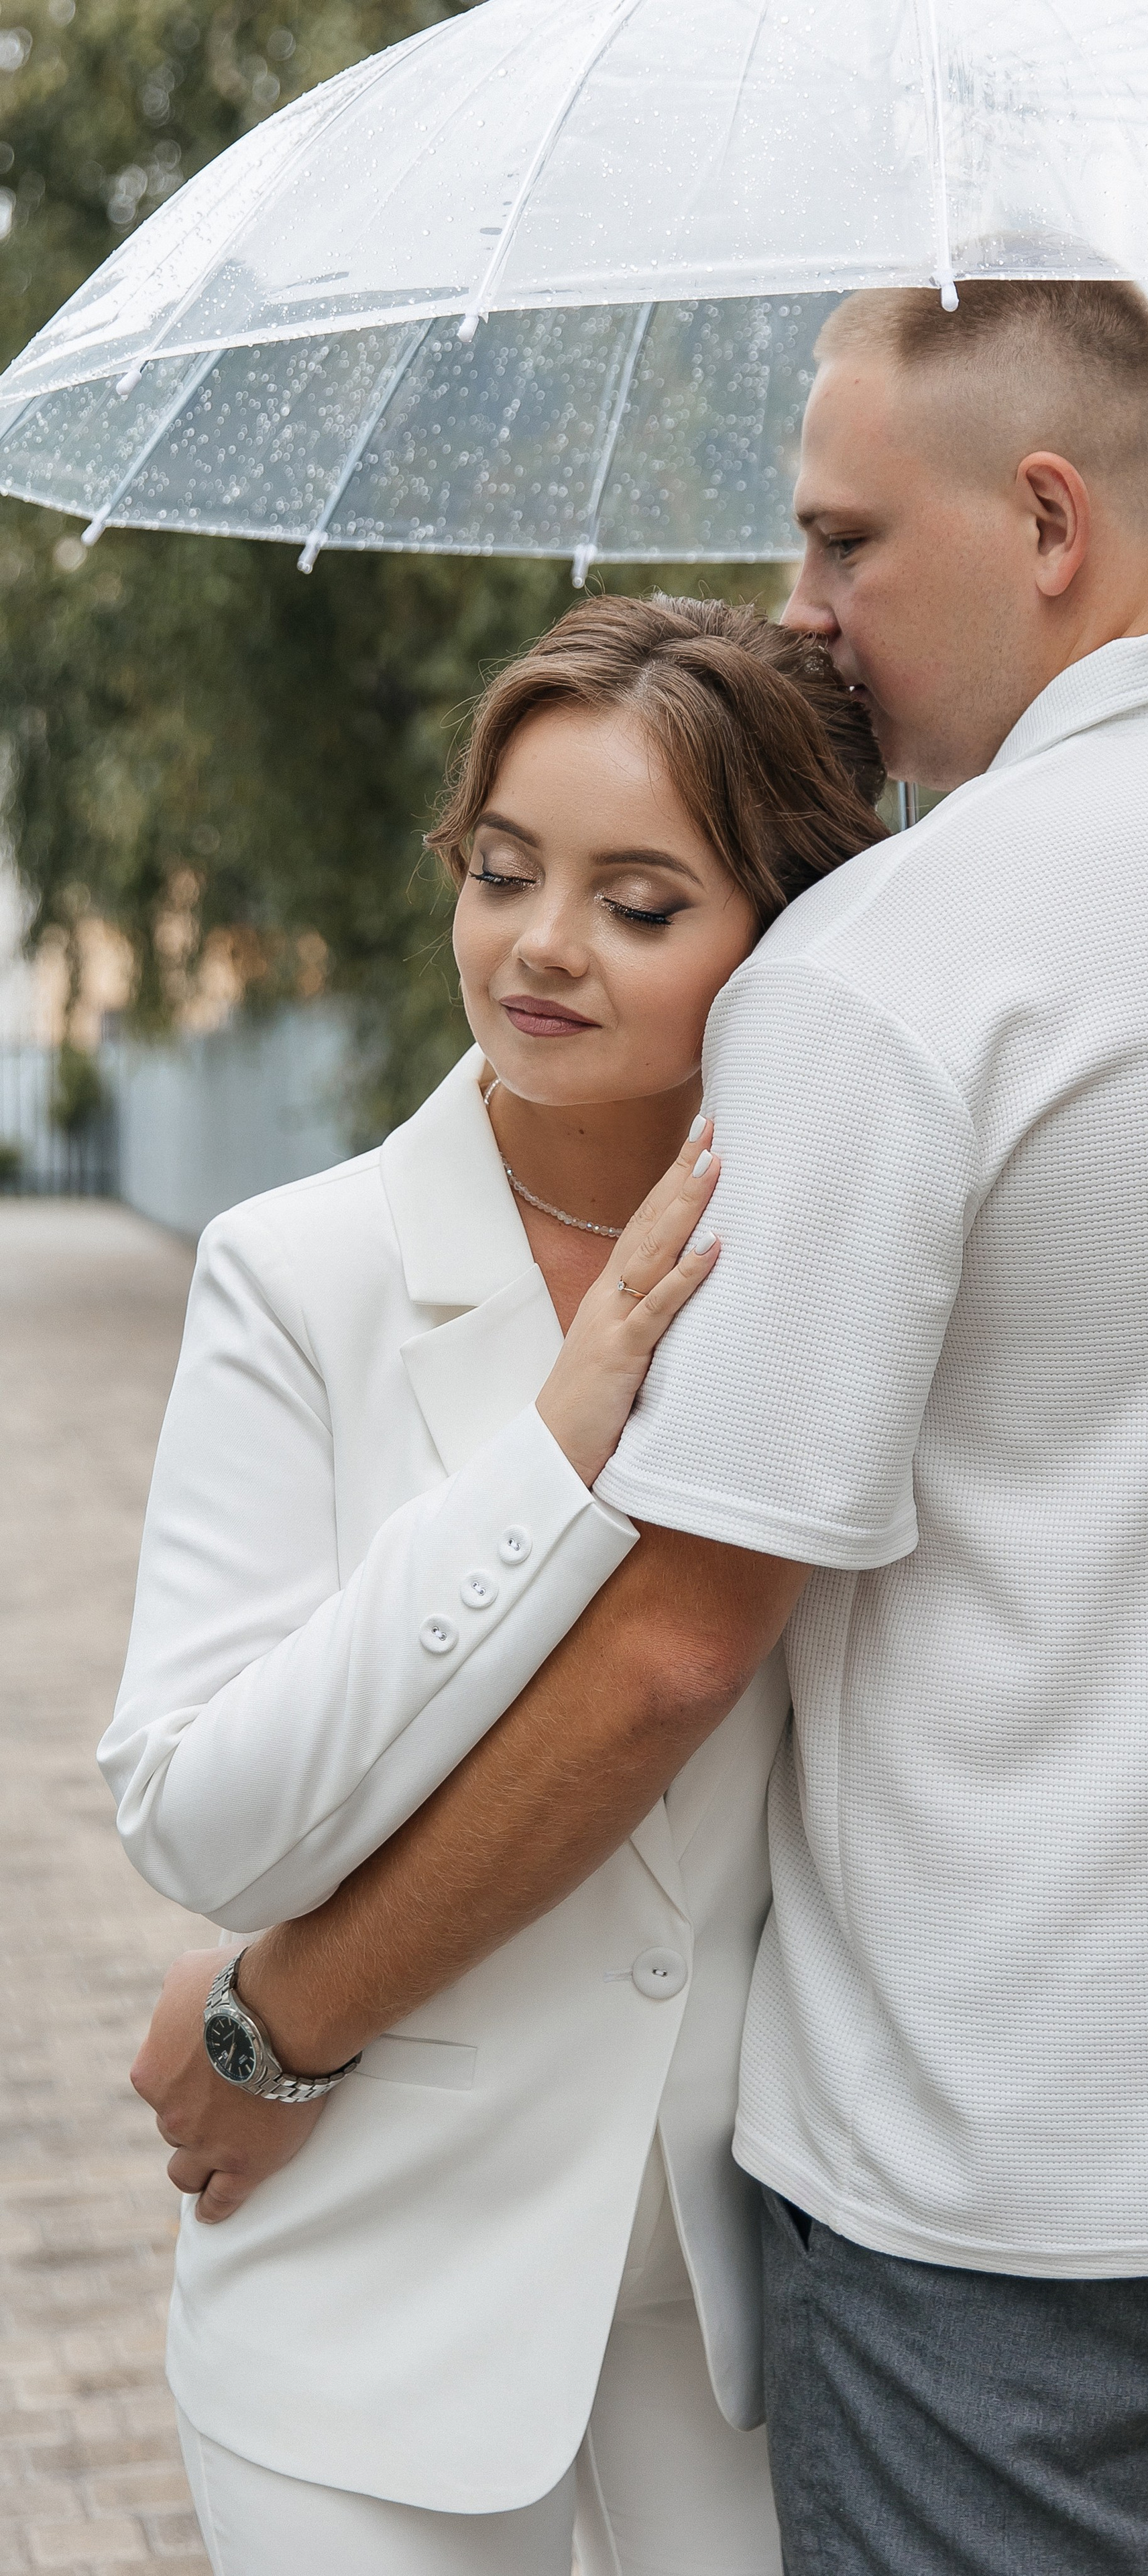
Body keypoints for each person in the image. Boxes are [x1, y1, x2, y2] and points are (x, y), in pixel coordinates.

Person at [131, 280, 1148, 2576]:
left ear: (1046, 518)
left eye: (844, 541)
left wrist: (280, 2021)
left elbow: (672, 1651)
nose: (807, 618)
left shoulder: (899, 962)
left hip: (1030, 2204)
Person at [104, 594, 886, 2574]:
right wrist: (549, 1451)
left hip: (739, 2322)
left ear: (782, 940)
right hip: (368, 2304)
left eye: (639, 903)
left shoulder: (838, 1280)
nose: (539, 946)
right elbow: (202, 1816)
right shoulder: (304, 1270)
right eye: (505, 871)